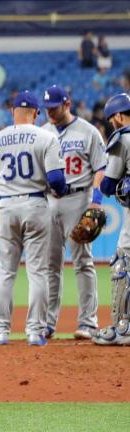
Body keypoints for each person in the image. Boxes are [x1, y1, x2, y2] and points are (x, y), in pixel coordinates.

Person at [0, 91, 68, 346]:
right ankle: (35, 332)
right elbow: (56, 180)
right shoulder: (47, 137)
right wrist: (59, 191)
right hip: (35, 204)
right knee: (38, 272)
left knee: (5, 273)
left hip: (7, 205)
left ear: (12, 112)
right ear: (36, 113)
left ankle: (0, 331)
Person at [40, 85, 106, 340]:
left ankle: (88, 322)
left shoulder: (88, 132)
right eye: (47, 108)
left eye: (54, 107)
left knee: (82, 262)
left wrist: (96, 201)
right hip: (49, 201)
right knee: (51, 265)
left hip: (79, 198)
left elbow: (101, 166)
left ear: (67, 104)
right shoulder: (43, 132)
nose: (50, 112)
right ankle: (48, 323)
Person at [92, 93, 130, 345]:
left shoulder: (123, 138)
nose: (111, 124)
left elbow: (108, 184)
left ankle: (122, 328)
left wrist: (103, 183)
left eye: (110, 119)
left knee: (122, 262)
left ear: (118, 116)